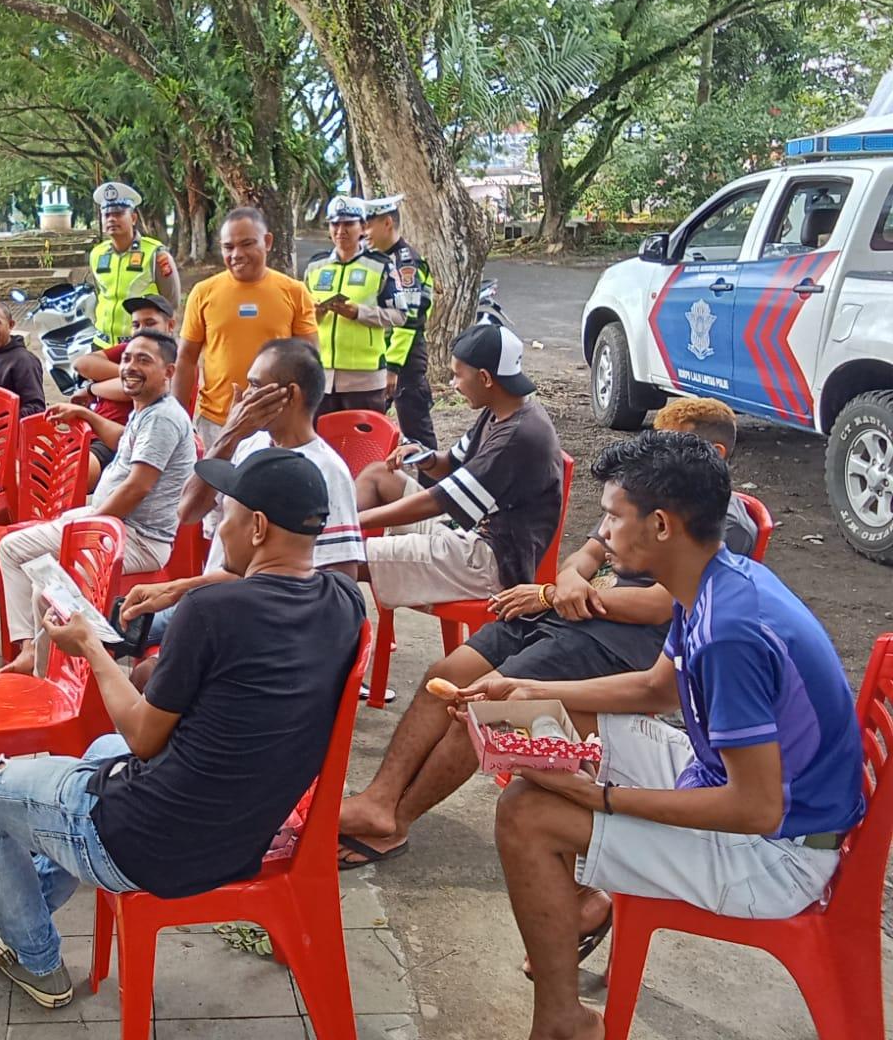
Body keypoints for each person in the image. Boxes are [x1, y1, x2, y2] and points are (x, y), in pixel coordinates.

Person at [0, 447, 365, 1007]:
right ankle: (28, 906)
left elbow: (144, 737)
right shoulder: (345, 603)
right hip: (242, 833)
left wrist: (91, 648)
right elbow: (263, 586)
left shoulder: (213, 615)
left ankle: (35, 959)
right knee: (101, 746)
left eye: (226, 513)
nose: (219, 525)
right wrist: (181, 587)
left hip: (149, 844)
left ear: (258, 527)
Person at [482, 430, 863, 1040]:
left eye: (613, 516)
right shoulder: (715, 579)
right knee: (557, 721)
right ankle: (580, 906)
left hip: (779, 852)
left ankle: (563, 1021)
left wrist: (603, 799)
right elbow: (655, 690)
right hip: (744, 792)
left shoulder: (730, 634)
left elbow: (755, 808)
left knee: (526, 815)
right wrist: (525, 690)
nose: (603, 533)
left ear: (660, 525)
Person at [336, 397, 759, 869]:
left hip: (614, 644)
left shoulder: (722, 525)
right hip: (566, 614)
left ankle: (398, 821)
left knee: (480, 708)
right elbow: (585, 556)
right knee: (447, 674)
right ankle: (379, 800)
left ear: (713, 456)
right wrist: (568, 583)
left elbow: (660, 606)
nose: (655, 457)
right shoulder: (642, 492)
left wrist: (556, 594)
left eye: (671, 446)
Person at [119, 338, 362, 683]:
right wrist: (229, 436)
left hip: (247, 622)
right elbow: (188, 512)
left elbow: (338, 585)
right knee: (107, 627)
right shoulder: (249, 444)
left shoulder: (325, 471)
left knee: (148, 676)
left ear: (290, 395)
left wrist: (184, 590)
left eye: (255, 386)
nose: (244, 396)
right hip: (206, 598)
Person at [0, 329, 195, 673]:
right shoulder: (149, 410)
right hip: (115, 524)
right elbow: (124, 440)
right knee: (41, 576)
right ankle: (43, 665)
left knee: (18, 556)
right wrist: (87, 415)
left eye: (143, 360)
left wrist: (89, 528)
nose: (130, 366)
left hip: (136, 538)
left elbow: (137, 487)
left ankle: (38, 661)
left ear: (168, 372)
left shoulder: (163, 418)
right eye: (127, 359)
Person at [353, 323, 562, 612]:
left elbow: (437, 502)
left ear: (485, 378)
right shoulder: (500, 410)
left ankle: (331, 619)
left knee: (346, 556)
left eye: (457, 375)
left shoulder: (518, 436)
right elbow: (450, 465)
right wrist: (425, 457)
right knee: (378, 476)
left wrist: (353, 523)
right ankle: (337, 535)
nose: (453, 384)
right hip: (463, 528)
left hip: (490, 561)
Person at [174, 206, 317, 529]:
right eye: (228, 247)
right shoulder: (203, 293)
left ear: (268, 241)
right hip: (217, 422)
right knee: (216, 515)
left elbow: (309, 361)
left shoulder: (294, 292)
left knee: (270, 511)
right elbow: (186, 359)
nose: (236, 254)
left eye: (247, 244)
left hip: (274, 424)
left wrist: (300, 418)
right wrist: (181, 419)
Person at [303, 195, 404, 417]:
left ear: (363, 227)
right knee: (321, 437)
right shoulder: (315, 266)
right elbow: (302, 316)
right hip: (321, 376)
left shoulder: (380, 266)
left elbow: (399, 315)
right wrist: (315, 313)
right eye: (335, 224)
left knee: (364, 438)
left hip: (365, 378)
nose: (341, 231)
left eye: (348, 224)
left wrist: (359, 313)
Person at [70, 293, 176, 489]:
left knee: (70, 475)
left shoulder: (172, 360)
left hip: (119, 441)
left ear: (170, 326)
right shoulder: (129, 350)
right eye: (136, 325)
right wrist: (130, 373)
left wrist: (93, 389)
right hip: (89, 431)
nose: (142, 330)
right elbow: (82, 364)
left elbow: (133, 390)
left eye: (150, 323)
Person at [360, 194, 437, 448]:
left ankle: (431, 473)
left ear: (387, 223)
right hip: (379, 355)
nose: (364, 232)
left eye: (368, 225)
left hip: (404, 358)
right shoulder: (374, 259)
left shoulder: (406, 264)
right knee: (368, 424)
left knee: (416, 428)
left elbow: (410, 319)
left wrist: (392, 367)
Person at [87, 181, 182, 346]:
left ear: (133, 218)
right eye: (107, 215)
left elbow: (171, 302)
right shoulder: (97, 253)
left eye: (118, 214)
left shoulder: (155, 254)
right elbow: (99, 294)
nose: (112, 219)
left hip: (139, 344)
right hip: (102, 344)